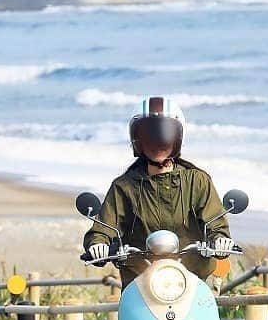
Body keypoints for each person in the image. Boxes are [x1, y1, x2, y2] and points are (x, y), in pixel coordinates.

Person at [83, 96, 233, 288]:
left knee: (208, 316)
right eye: (150, 138)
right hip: (142, 283)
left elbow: (217, 225)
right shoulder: (124, 186)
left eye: (164, 136)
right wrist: (98, 245)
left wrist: (220, 240)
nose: (158, 143)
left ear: (178, 138)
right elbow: (103, 228)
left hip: (193, 280)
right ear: (137, 140)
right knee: (130, 318)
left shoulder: (197, 181)